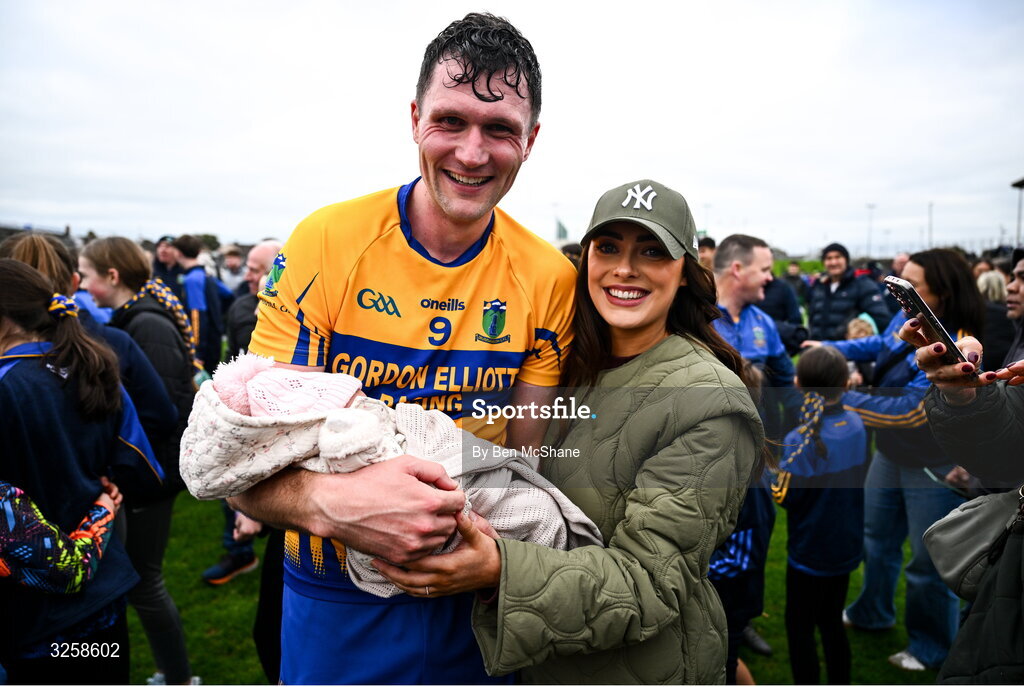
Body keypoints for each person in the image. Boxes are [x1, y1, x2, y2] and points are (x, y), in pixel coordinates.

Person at [219, 13, 574, 684]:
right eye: (451, 120)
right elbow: (242, 465)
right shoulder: (327, 240)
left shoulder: (550, 276)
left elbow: (531, 466)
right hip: (335, 593)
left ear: (530, 139)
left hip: (476, 595)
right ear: (414, 118)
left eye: (499, 129)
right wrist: (334, 505)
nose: (473, 152)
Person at [373, 179, 765, 683]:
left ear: (685, 273)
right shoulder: (563, 364)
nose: (625, 268)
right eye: (608, 247)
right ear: (586, 262)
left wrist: (498, 569)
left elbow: (649, 585)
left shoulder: (710, 401)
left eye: (652, 250)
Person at [804, 248, 985, 671]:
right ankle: (872, 611)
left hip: (934, 461)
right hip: (888, 453)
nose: (900, 293)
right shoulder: (910, 318)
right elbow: (878, 344)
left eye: (911, 285)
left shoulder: (959, 341)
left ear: (940, 292)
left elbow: (910, 409)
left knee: (927, 560)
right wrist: (829, 344)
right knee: (876, 539)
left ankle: (931, 645)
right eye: (900, 281)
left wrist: (838, 399)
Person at [0, 258, 163, 684]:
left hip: (33, 616)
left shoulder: (8, 384)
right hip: (102, 601)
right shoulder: (90, 364)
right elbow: (139, 462)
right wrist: (106, 499)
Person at [79, 237, 200, 686]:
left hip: (152, 475)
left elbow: (165, 410)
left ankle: (178, 676)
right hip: (145, 472)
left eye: (87, 274)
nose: (84, 286)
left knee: (145, 582)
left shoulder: (144, 326)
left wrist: (127, 466)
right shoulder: (134, 319)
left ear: (111, 276)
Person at [772, 346, 868, 685]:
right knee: (830, 623)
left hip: (809, 552)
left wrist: (771, 476)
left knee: (799, 628)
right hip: (845, 546)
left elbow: (784, 497)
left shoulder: (799, 440)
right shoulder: (857, 423)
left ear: (797, 384)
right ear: (846, 383)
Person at [807, 242, 892, 340]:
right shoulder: (819, 286)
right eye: (829, 258)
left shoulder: (863, 284)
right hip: (819, 348)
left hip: (848, 351)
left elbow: (881, 319)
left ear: (846, 260)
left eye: (838, 257)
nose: (833, 262)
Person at [172, 234, 224, 374]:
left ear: (178, 252)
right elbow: (228, 295)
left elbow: (197, 316)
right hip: (215, 341)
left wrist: (197, 352)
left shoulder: (192, 279)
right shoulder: (207, 275)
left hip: (204, 349)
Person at [152, 235, 184, 299]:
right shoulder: (152, 272)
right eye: (159, 246)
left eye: (168, 246)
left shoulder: (185, 271)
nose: (162, 250)